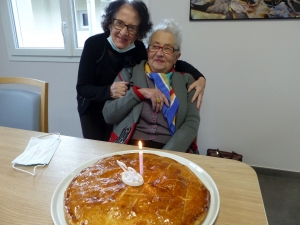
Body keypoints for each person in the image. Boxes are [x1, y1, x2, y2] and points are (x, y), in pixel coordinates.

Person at [76, 0, 205, 142]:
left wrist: (200, 78)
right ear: (110, 22)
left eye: (132, 28)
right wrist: (109, 91)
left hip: (122, 106)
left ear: (139, 32)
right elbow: (82, 88)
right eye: (119, 23)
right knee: (97, 149)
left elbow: (166, 60)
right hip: (93, 107)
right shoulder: (94, 44)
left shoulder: (139, 51)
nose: (124, 32)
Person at [102, 19, 199, 152]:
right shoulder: (128, 74)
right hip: (130, 148)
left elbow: (191, 124)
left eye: (167, 49)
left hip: (171, 150)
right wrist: (137, 94)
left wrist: (165, 156)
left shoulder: (187, 81)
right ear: (147, 50)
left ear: (177, 56)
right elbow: (109, 115)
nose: (159, 53)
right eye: (155, 46)